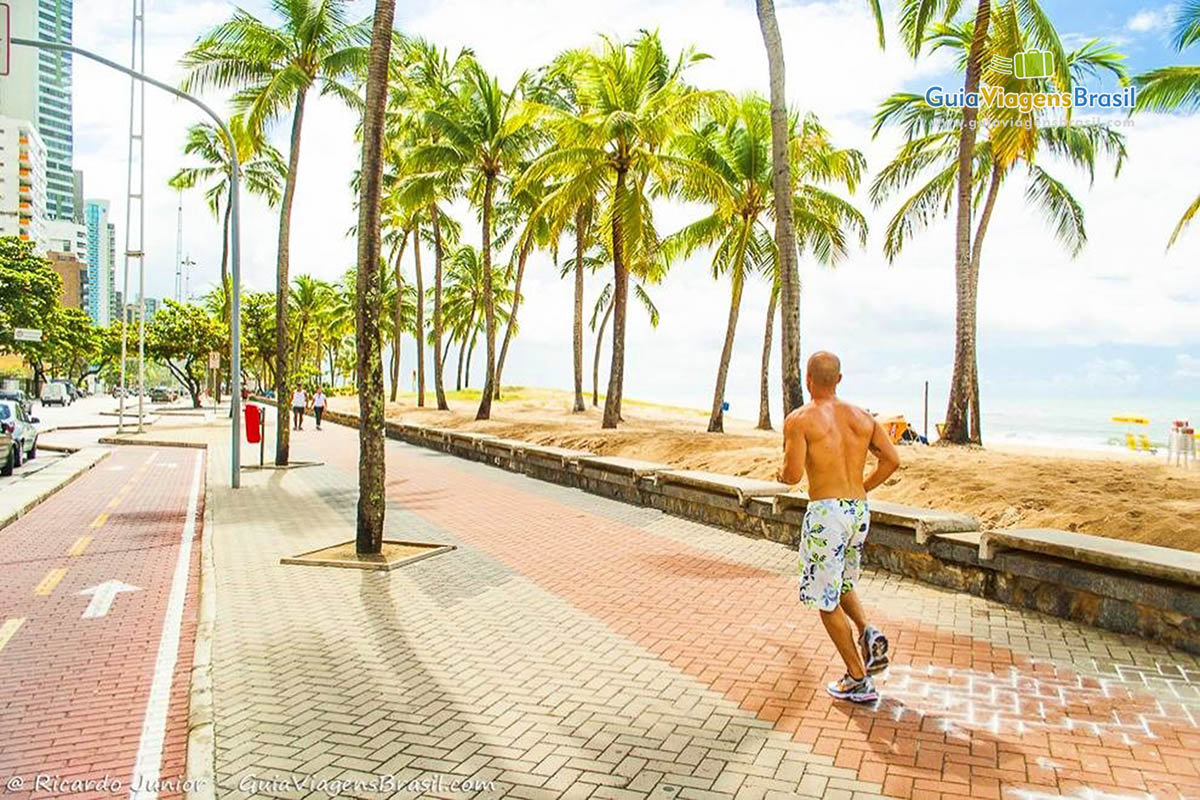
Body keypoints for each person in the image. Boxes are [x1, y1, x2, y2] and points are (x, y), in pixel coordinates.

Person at [776, 351, 901, 704]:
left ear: (808, 380)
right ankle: (867, 630)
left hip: (826, 513)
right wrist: (863, 487)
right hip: (858, 509)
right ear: (840, 380)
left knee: (824, 600)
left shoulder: (800, 420)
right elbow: (892, 460)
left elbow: (792, 475)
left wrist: (780, 474)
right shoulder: (863, 417)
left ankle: (858, 678)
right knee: (841, 582)